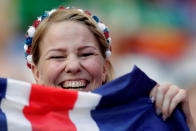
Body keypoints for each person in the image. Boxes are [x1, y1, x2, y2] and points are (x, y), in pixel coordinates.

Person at [24, 6, 195, 130]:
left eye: (86, 54)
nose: (74, 66)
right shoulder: (13, 123)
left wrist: (185, 125)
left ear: (105, 66)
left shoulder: (147, 119)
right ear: (36, 72)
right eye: (57, 56)